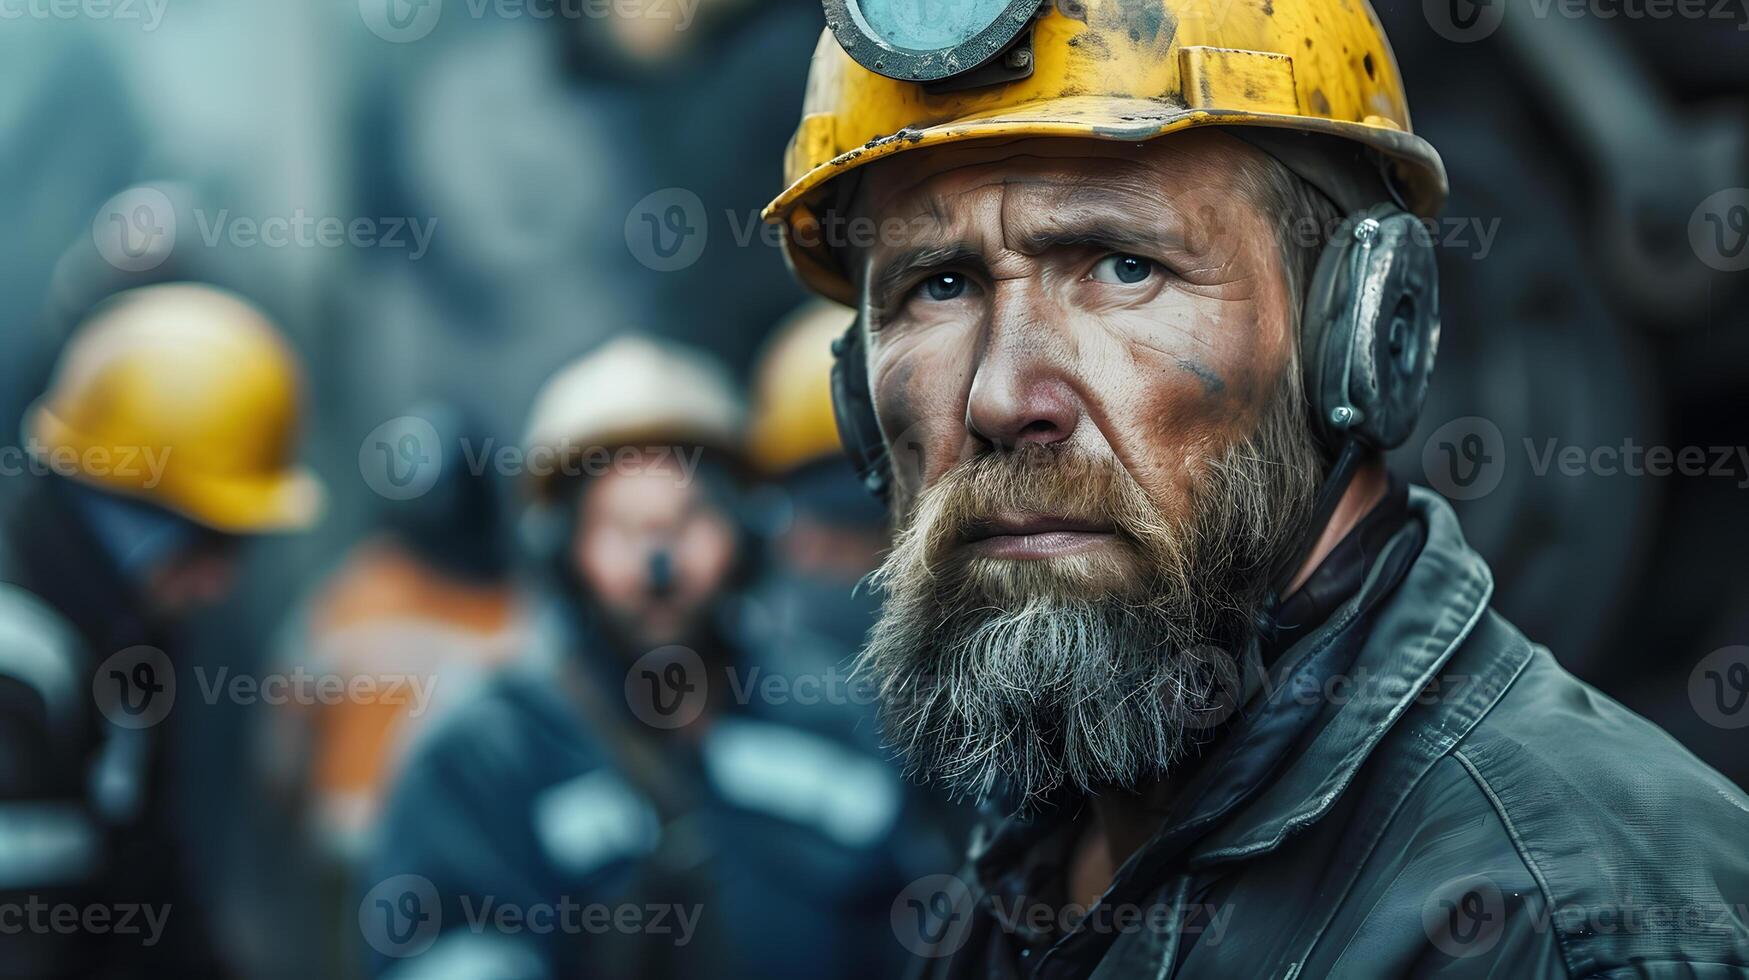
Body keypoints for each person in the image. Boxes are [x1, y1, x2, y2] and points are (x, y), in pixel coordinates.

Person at [758, 1, 1749, 975]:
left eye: (1123, 265)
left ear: (1361, 334)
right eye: (936, 284)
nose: (1002, 395)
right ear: (857, 389)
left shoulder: (1586, 926)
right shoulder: (1031, 876)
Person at [369, 336, 933, 979]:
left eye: (689, 519)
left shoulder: (843, 716)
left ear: (745, 535)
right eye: (620, 527)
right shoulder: (487, 752)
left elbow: (923, 929)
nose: (658, 567)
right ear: (561, 551)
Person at [0, 282, 323, 977]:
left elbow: (149, 887)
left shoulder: (130, 636)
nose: (220, 583)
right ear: (129, 513)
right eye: (212, 542)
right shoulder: (19, 668)